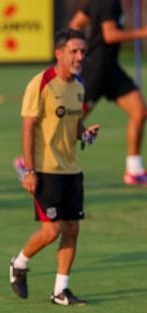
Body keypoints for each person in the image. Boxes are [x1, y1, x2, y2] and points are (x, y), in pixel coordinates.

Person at [9, 29, 100, 306]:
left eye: (83, 51)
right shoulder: (41, 83)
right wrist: (29, 170)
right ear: (59, 53)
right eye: (74, 51)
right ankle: (19, 263)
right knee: (52, 230)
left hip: (71, 169)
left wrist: (84, 134)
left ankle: (61, 290)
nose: (79, 56)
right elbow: (27, 128)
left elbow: (72, 126)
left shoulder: (79, 85)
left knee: (72, 228)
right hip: (45, 169)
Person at [16, 0, 147, 185]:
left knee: (139, 111)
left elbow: (76, 23)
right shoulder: (108, 4)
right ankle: (28, 161)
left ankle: (134, 169)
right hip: (95, 71)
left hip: (112, 70)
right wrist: (141, 32)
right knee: (69, 122)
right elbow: (110, 35)